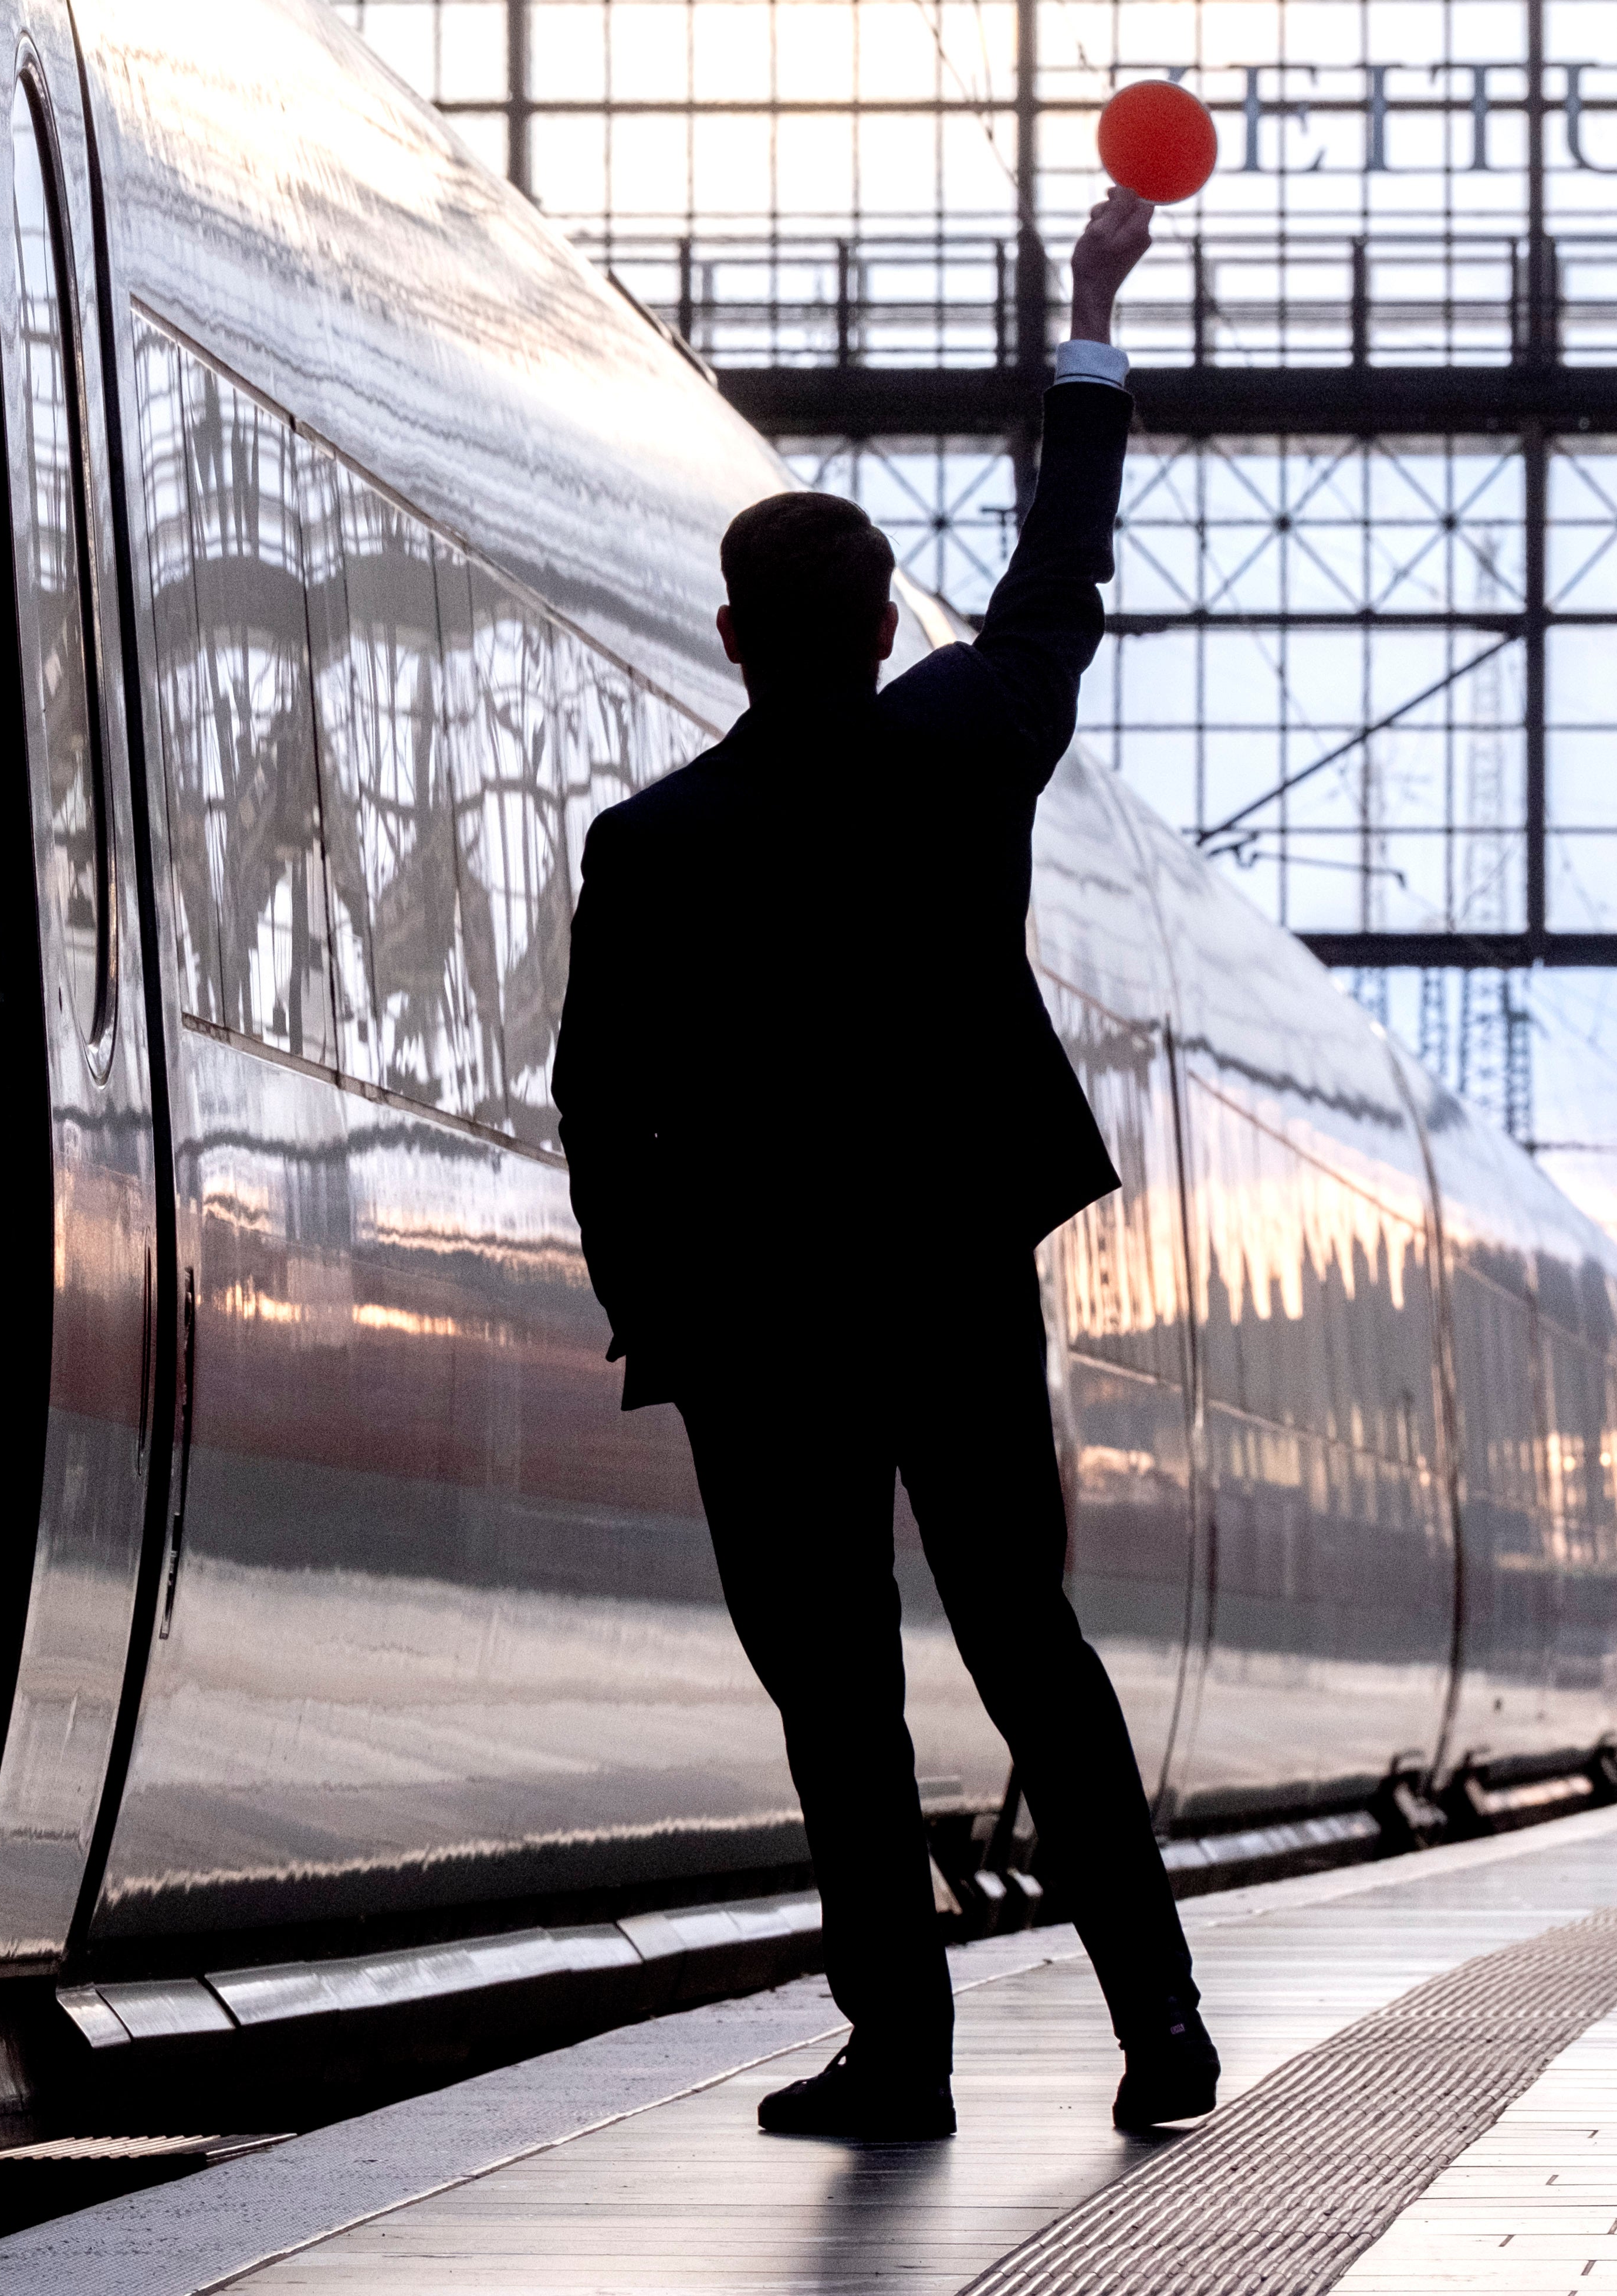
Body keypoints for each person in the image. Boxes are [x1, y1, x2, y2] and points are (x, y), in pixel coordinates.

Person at [550, 187, 1214, 2143]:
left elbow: (599, 1103)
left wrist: (655, 1307)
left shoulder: (655, 848)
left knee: (836, 1697)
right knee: (1031, 1644)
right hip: (950, 1287)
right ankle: (1157, 2024)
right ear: (885, 622)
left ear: (738, 635)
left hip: (759, 1332)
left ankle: (901, 2058)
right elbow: (1062, 572)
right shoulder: (965, 737)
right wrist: (1087, 320)